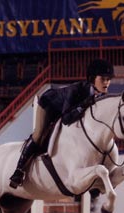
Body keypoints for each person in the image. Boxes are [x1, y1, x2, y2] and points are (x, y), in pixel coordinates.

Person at [9, 58, 115, 188]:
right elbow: (66, 119)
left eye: (108, 79)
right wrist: (84, 104)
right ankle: (19, 170)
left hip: (67, 109)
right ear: (92, 78)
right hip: (49, 105)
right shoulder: (76, 91)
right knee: (38, 135)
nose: (106, 83)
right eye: (103, 79)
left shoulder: (102, 96)